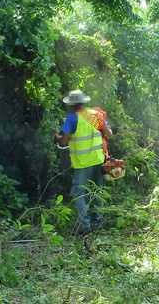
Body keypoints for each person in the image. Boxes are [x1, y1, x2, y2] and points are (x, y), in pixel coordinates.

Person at [54, 90, 112, 234]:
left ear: (71, 105)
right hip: (98, 160)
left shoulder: (72, 118)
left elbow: (64, 141)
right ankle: (97, 222)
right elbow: (109, 134)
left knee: (78, 194)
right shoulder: (95, 115)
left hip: (82, 164)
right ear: (83, 102)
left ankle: (85, 226)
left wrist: (57, 137)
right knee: (96, 192)